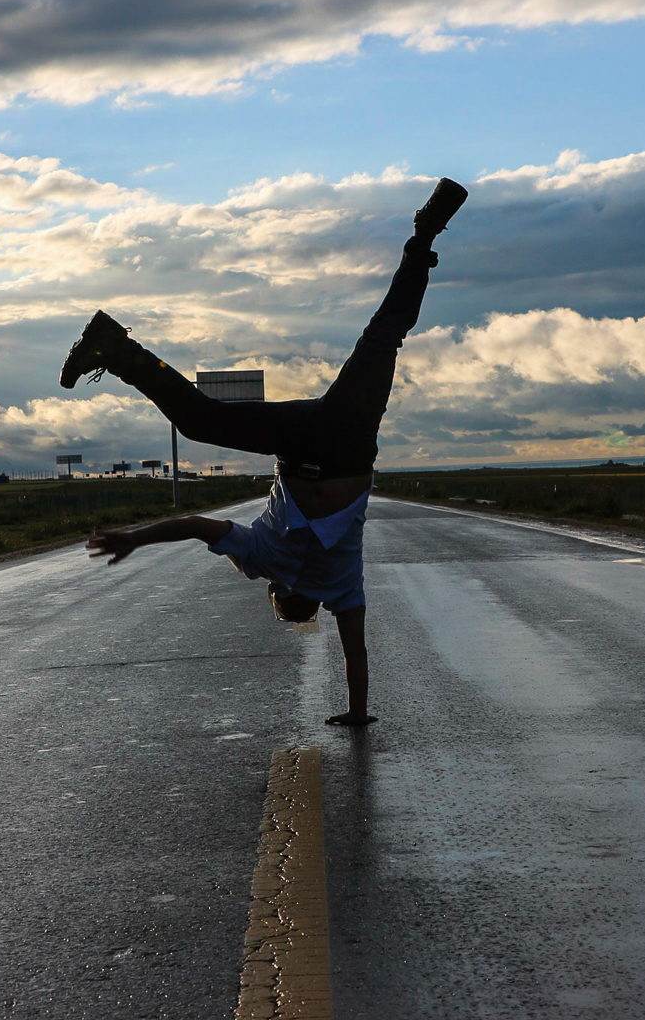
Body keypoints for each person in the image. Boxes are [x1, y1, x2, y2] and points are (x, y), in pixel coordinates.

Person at [62, 178, 468, 726]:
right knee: (380, 338)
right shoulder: (329, 586)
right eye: (287, 615)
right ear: (286, 597)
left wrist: (136, 537)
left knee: (205, 418)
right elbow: (355, 655)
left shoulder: (267, 562)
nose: (285, 612)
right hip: (345, 439)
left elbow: (197, 527)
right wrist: (357, 713)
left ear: (278, 593)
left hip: (307, 444)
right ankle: (424, 235)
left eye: (281, 614)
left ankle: (113, 347)